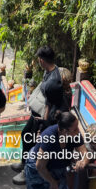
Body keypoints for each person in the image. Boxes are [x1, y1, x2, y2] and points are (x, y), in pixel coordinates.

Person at [13, 47, 66, 181]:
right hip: (38, 112)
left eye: (38, 59)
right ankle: (24, 163)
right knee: (26, 134)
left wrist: (44, 121)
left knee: (35, 143)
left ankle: (27, 171)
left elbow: (50, 104)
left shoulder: (53, 81)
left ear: (42, 60)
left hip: (46, 117)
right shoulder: (48, 71)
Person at [24, 111, 90, 189]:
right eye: (75, 129)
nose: (78, 131)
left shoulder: (74, 135)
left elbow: (85, 153)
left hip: (57, 169)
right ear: (64, 131)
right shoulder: (49, 137)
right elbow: (40, 166)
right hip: (38, 169)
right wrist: (52, 182)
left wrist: (83, 161)